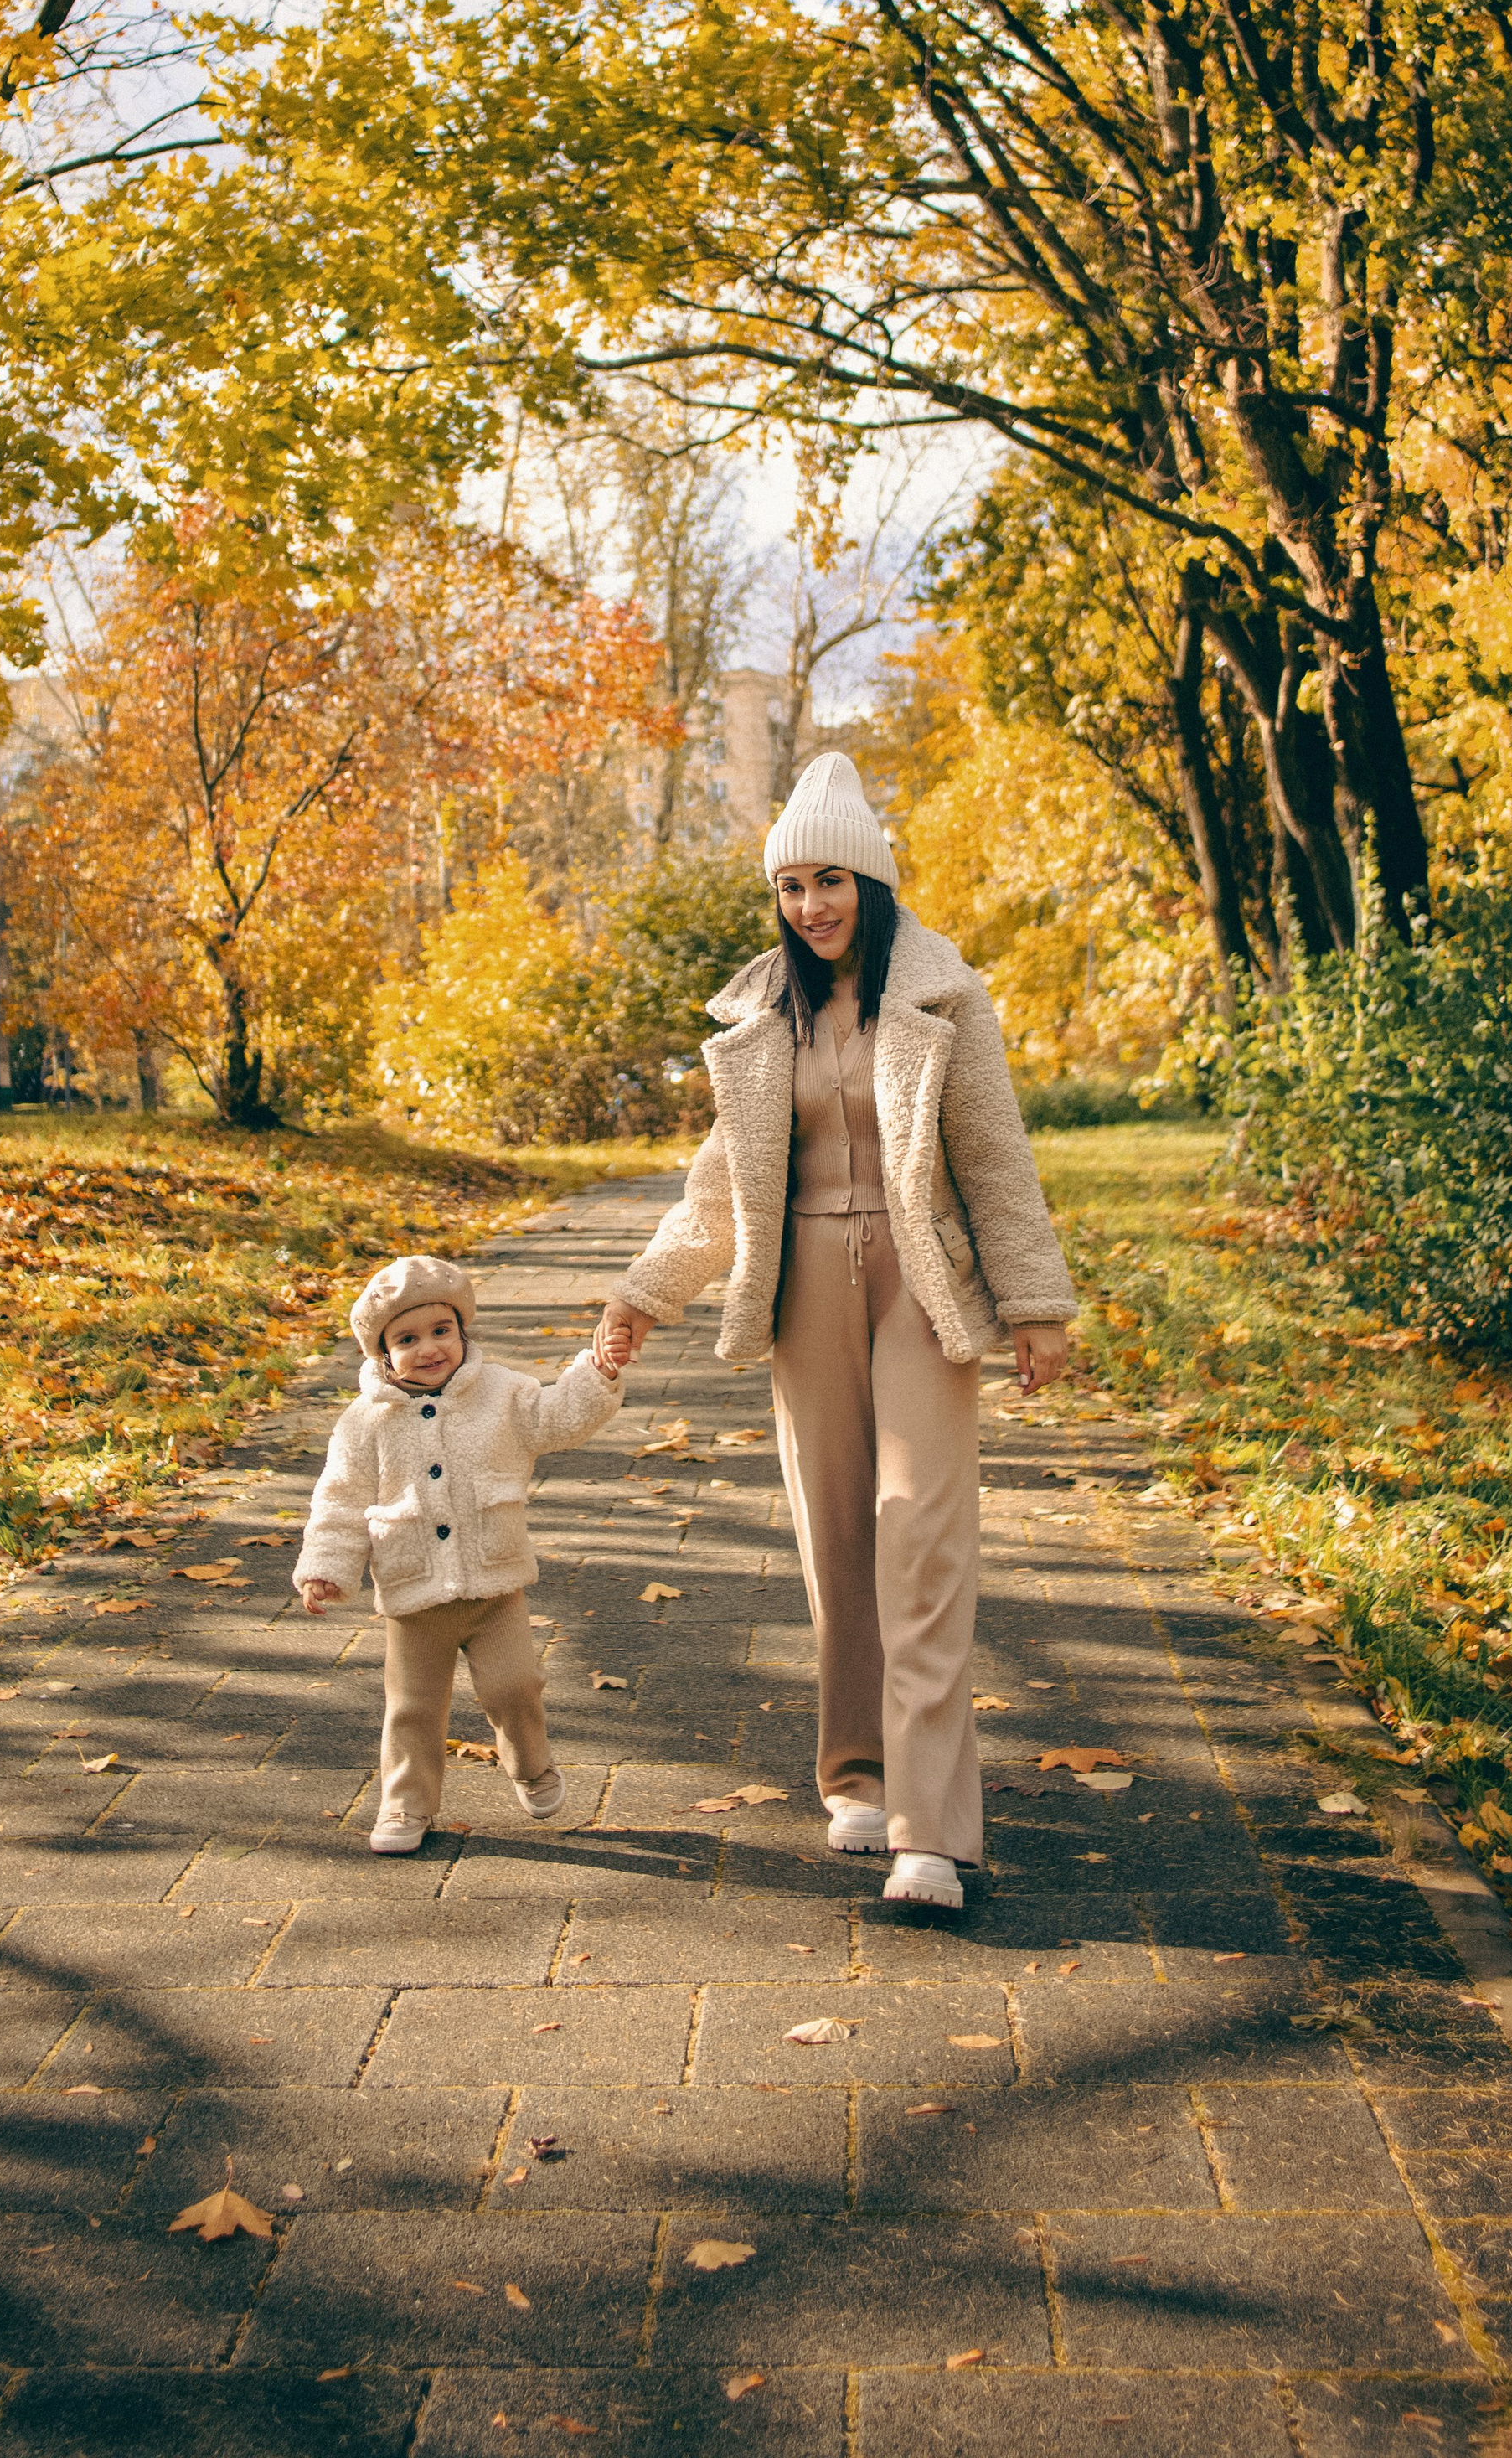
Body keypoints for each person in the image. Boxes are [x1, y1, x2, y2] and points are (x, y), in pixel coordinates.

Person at [593, 752, 1075, 1911]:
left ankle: (930, 1831)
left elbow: (994, 1156)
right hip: (803, 1285)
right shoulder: (764, 1015)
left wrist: (1036, 1303)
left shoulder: (941, 995)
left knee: (919, 1534)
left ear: (871, 882)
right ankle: (856, 1777)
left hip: (920, 1283)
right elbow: (723, 1187)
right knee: (836, 1542)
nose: (810, 904)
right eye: (790, 885)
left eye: (829, 881)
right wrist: (643, 1292)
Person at [293, 1253, 627, 1854]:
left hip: (495, 1585)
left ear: (462, 1330)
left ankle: (530, 1765)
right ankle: (405, 1803)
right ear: (382, 1352)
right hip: (413, 1593)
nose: (428, 1349)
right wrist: (325, 1567)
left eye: (441, 1330)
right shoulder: (365, 1421)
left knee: (515, 1687)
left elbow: (558, 1418)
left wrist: (596, 1373)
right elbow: (340, 1500)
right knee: (413, 1709)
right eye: (407, 1339)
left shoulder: (502, 1393)